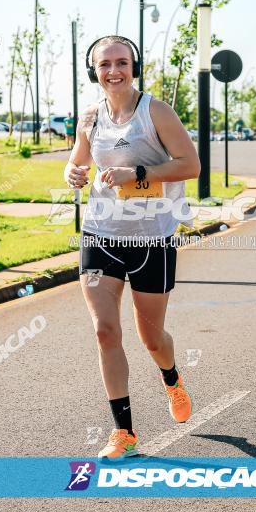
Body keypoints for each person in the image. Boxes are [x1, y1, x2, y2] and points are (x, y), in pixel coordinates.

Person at [64, 35, 200, 459]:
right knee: (105, 331)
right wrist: (74, 172)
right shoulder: (90, 117)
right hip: (99, 235)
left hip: (152, 238)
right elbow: (78, 157)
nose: (113, 71)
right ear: (94, 72)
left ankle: (171, 378)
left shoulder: (156, 111)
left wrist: (136, 172)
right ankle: (124, 433)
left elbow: (190, 164)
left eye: (121, 62)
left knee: (151, 337)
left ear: (133, 67)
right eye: (104, 64)